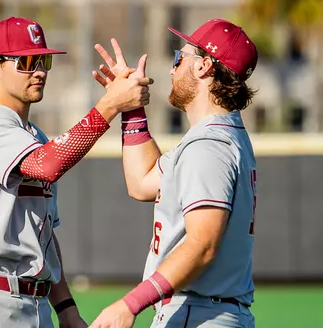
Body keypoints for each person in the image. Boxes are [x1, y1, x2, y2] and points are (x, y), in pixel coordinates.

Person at [0, 16, 153, 328]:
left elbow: (44, 238)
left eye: (43, 61)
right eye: (26, 61)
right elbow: (47, 165)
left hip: (36, 304)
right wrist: (110, 105)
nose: (39, 70)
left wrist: (65, 307)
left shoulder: (35, 137)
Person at [89, 18, 259, 328]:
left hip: (200, 312)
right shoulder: (218, 136)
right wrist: (131, 108)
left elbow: (202, 245)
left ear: (203, 66)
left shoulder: (210, 147)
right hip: (207, 310)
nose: (171, 68)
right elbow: (142, 182)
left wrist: (131, 304)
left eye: (180, 58)